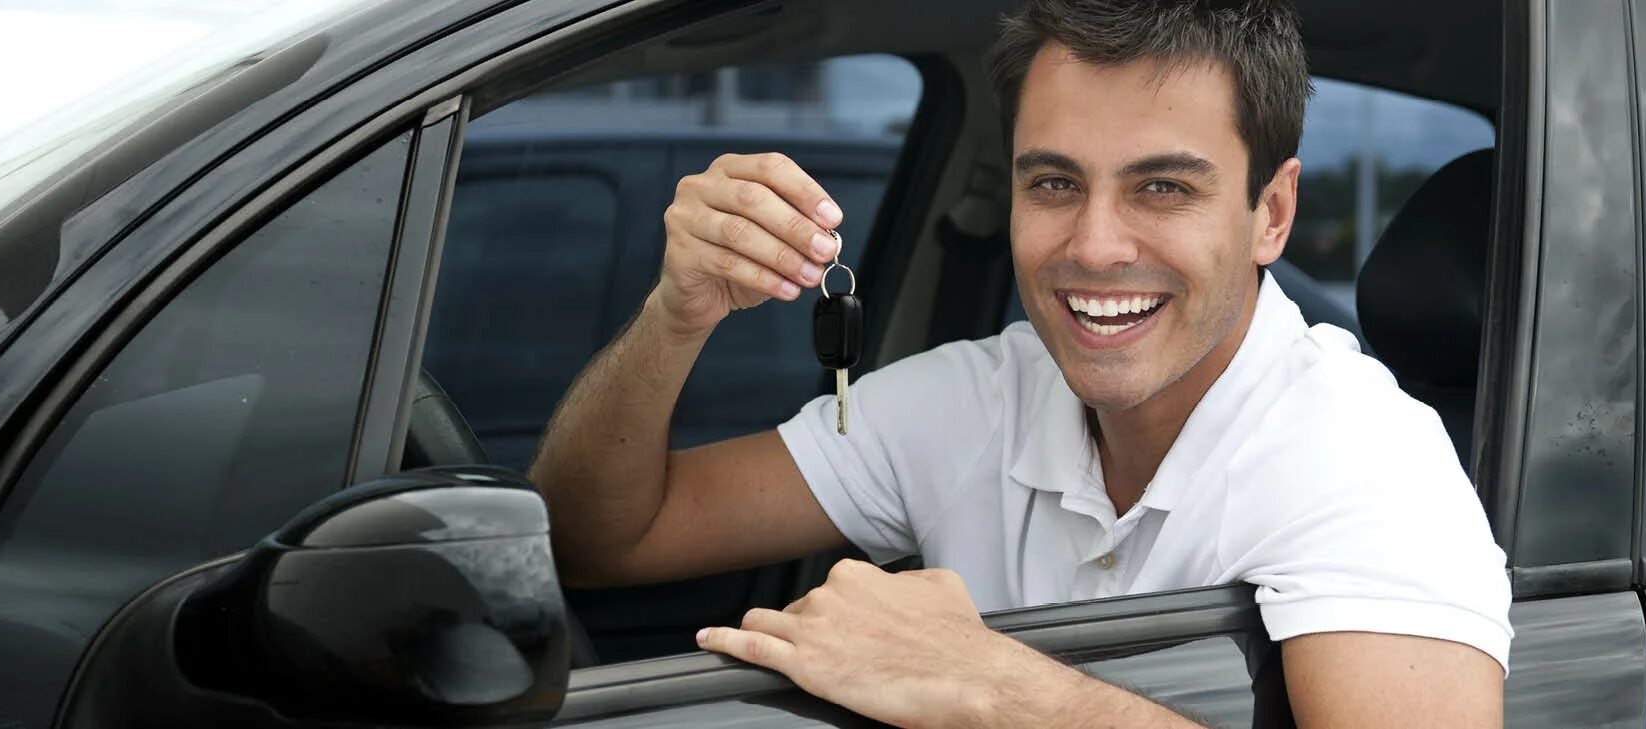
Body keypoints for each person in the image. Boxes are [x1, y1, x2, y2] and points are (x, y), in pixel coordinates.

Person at [529, 0, 1513, 725]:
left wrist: (991, 685)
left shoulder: (1363, 460)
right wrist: (676, 314)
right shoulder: (977, 395)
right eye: (1054, 182)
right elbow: (598, 540)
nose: (1091, 246)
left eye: (1161, 188)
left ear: (1272, 214)